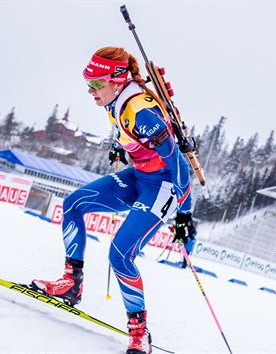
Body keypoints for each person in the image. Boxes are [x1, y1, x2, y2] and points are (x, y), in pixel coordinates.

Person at [31, 46, 197, 354]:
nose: (90, 91)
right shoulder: (114, 99)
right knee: (74, 204)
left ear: (118, 81)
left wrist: (185, 215)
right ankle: (72, 282)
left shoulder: (141, 111)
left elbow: (179, 166)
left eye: (96, 84)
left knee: (119, 255)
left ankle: (140, 332)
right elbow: (130, 134)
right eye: (87, 83)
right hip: (138, 176)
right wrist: (123, 146)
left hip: (161, 188)